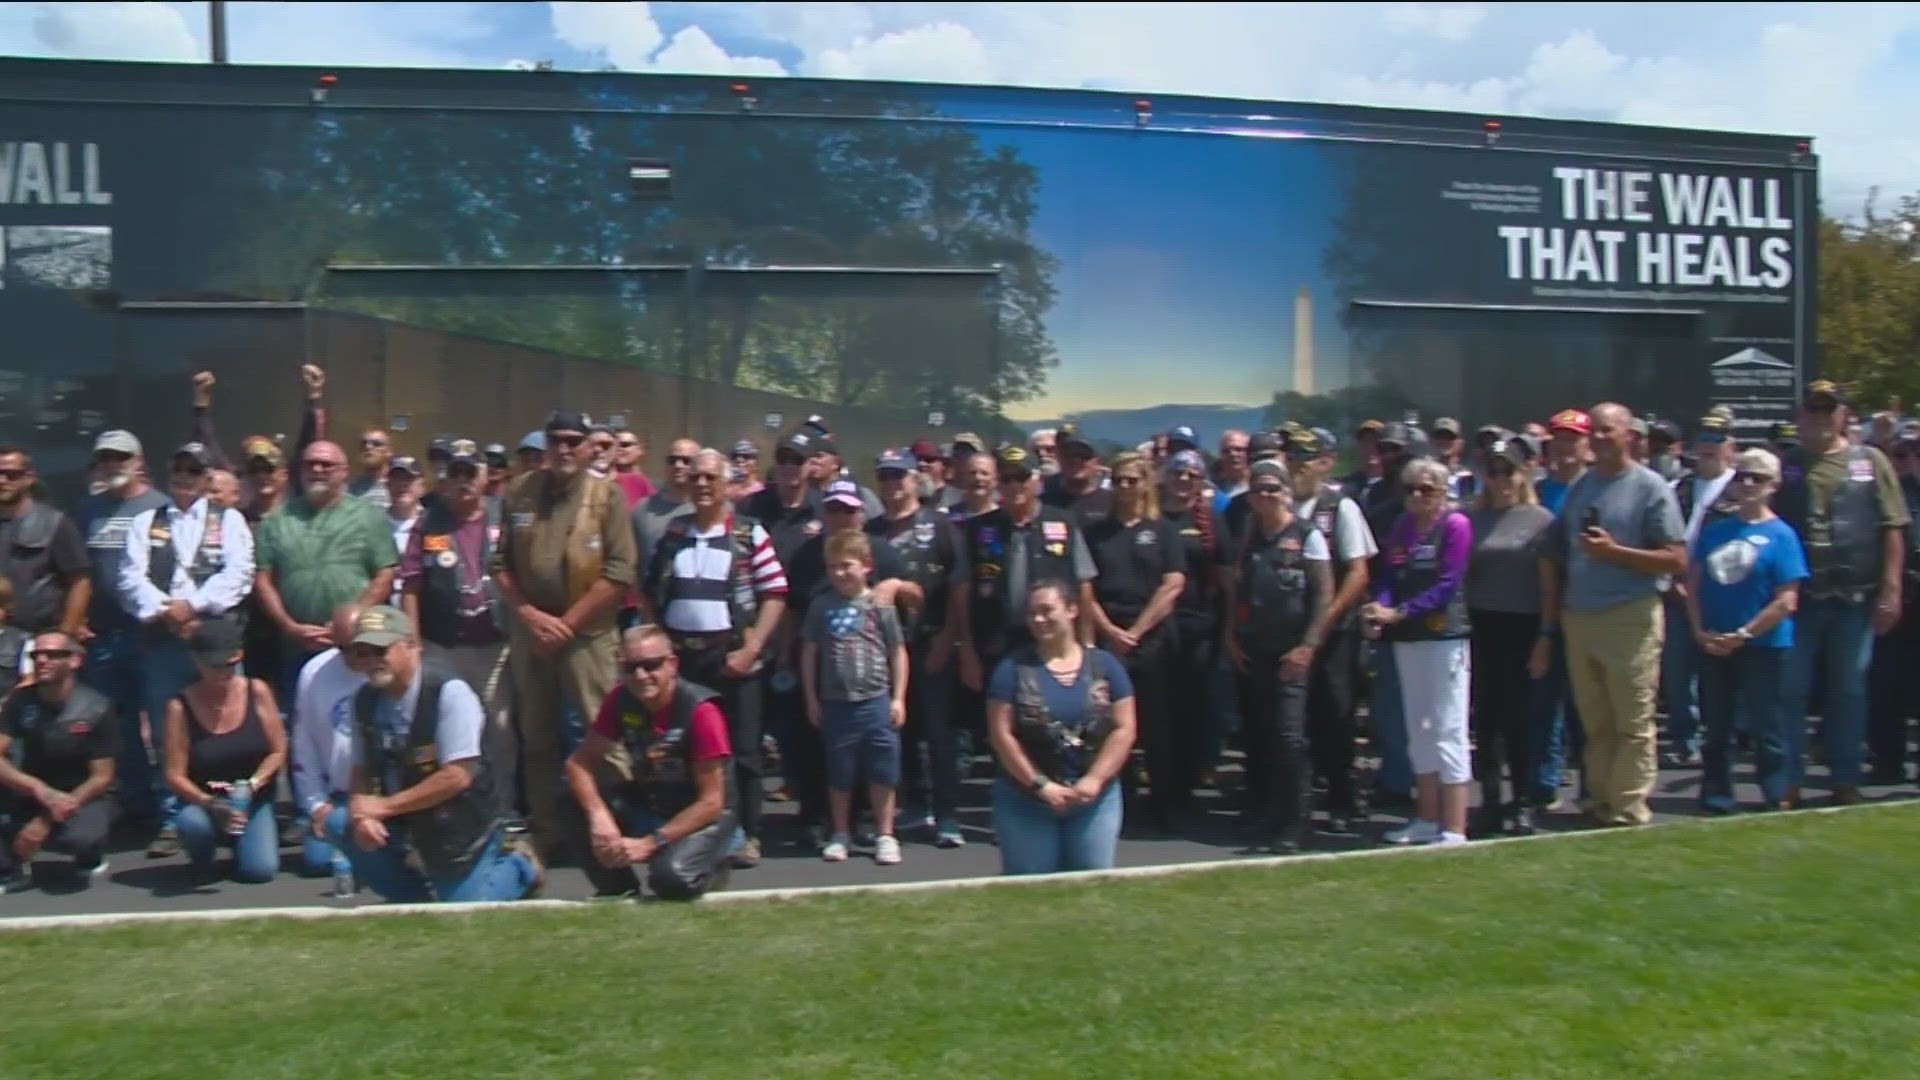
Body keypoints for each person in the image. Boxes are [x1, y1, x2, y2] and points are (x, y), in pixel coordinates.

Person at [492, 410, 637, 861]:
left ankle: (619, 824)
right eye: (557, 440)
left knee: (603, 731)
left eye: (575, 440)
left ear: (591, 446)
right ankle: (547, 830)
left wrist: (567, 624)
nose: (565, 449)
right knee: (537, 734)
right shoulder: (519, 491)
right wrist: (531, 616)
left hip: (587, 635)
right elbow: (500, 565)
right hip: (532, 632)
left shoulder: (606, 496)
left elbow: (620, 571)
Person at [324, 606, 540, 903]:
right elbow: (360, 769)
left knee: (466, 914)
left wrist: (384, 807)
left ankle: (521, 866)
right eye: (361, 652)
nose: (371, 660)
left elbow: (457, 776)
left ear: (411, 646)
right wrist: (361, 813)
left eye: (380, 649)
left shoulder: (449, 692)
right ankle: (413, 900)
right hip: (403, 817)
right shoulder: (362, 701)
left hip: (458, 822)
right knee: (339, 821)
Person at [1539, 402, 1687, 828]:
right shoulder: (1583, 486)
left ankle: (1628, 806)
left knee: (1632, 720)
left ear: (1630, 437)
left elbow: (1676, 559)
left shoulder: (1650, 487)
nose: (1600, 438)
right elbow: (1561, 549)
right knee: (1596, 720)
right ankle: (1600, 799)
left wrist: (1615, 553)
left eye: (1609, 431)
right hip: (1580, 616)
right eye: (1596, 432)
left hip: (1629, 615)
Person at [643, 447, 787, 867]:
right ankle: (695, 831)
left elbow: (775, 595)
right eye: (697, 478)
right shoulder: (673, 533)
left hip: (734, 660)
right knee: (687, 750)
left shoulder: (749, 534)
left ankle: (749, 834)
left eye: (711, 478)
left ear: (727, 484)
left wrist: (751, 649)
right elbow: (650, 594)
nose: (702, 485)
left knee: (743, 750)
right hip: (683, 664)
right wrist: (660, 648)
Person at [1773, 380, 1908, 806]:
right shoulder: (1788, 464)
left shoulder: (1870, 461)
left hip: (1855, 596)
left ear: (1843, 415)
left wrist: (1891, 589)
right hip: (1801, 597)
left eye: (1827, 409)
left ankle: (1845, 779)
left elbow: (1893, 526)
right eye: (1811, 409)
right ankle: (1789, 780)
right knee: (1790, 690)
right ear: (1800, 416)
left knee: (1849, 689)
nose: (1818, 417)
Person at [115, 442, 256, 839]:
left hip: (213, 639)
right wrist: (167, 611)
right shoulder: (145, 522)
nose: (184, 476)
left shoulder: (229, 521)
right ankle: (173, 813)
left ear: (207, 477)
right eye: (178, 468)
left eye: (194, 470)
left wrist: (192, 607)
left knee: (224, 721)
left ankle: (230, 807)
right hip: (162, 639)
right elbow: (129, 578)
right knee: (164, 727)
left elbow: (239, 574)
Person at [564, 624, 736, 900]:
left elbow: (712, 802)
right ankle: (617, 887)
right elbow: (578, 763)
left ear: (672, 665)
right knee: (570, 800)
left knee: (671, 881)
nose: (641, 676)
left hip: (702, 815)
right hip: (651, 799)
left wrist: (651, 843)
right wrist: (600, 817)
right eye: (631, 668)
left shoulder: (702, 712)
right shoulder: (620, 700)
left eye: (651, 665)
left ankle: (714, 862)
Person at [986, 580, 1137, 875]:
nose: (1039, 620)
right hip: (1026, 800)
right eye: (1032, 613)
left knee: (1092, 881)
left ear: (1071, 610)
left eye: (1047, 611)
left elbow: (1125, 728)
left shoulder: (1106, 665)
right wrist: (1040, 784)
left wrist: (1095, 779)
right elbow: (1001, 734)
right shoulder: (1012, 669)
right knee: (1031, 884)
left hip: (1094, 799)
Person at [1685, 448, 1806, 812]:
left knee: (1766, 724)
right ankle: (1716, 793)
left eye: (1758, 478)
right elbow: (1692, 583)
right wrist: (1699, 630)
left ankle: (1774, 791)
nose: (1749, 484)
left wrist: (1745, 633)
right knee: (1716, 726)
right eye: (1742, 476)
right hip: (1714, 642)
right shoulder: (1717, 529)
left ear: (1775, 485)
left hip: (1764, 645)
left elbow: (1787, 600)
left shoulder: (1782, 535)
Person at [1224, 459, 1332, 852]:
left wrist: (1308, 646)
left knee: (1290, 737)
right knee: (1265, 736)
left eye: (1272, 489)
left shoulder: (1307, 535)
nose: (1265, 496)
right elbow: (1236, 589)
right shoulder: (1249, 537)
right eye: (1258, 490)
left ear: (1287, 491)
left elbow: (1323, 595)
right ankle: (1271, 812)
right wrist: (1230, 636)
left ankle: (1298, 820)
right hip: (1255, 649)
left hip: (1293, 653)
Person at [1366, 457, 1474, 847]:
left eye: (1427, 490)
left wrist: (1399, 612)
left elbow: (1447, 584)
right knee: (1419, 730)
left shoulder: (1455, 525)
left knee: (1449, 728)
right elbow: (1389, 576)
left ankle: (1454, 826)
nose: (1417, 496)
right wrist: (1380, 608)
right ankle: (1426, 818)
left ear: (1443, 493)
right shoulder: (1402, 527)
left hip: (1444, 637)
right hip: (1406, 637)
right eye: (1411, 489)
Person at [1082, 452, 1186, 829]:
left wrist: (1137, 632)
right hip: (1109, 637)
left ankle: (1165, 805)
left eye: (1132, 480)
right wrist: (1109, 631)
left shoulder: (1164, 531)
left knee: (1157, 725)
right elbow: (1085, 587)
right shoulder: (1097, 532)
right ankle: (1117, 802)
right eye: (1119, 480)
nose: (1125, 487)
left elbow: (1173, 584)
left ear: (1145, 483)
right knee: (1111, 726)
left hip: (1153, 638)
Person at [868, 448, 967, 846]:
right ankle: (914, 804)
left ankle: (947, 814)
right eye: (886, 476)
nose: (893, 484)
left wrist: (950, 636)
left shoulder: (941, 525)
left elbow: (960, 587)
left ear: (916, 479)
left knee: (940, 732)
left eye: (900, 476)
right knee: (899, 730)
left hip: (931, 642)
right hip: (886, 648)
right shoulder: (871, 531)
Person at [252, 439, 399, 704]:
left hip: (358, 645)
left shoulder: (369, 517)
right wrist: (288, 626)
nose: (317, 469)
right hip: (296, 644)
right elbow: (263, 579)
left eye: (326, 464)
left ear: (345, 472)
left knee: (362, 718)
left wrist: (350, 623)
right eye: (310, 464)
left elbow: (385, 574)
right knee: (304, 723)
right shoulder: (276, 521)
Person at [74, 429, 171, 821]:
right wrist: (76, 620)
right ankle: (136, 800)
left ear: (138, 462)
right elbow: (76, 572)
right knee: (118, 725)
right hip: (103, 637)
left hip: (152, 635)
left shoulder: (163, 507)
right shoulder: (85, 510)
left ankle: (170, 810)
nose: (113, 464)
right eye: (106, 458)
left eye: (121, 457)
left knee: (164, 723)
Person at [1286, 428, 1377, 834]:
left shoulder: (1340, 507)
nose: (1298, 467)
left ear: (1324, 463)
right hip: (1290, 632)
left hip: (1336, 634)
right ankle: (1298, 806)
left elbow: (1357, 572)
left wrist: (1323, 622)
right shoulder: (1279, 505)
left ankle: (1343, 801)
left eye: (1306, 460)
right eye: (1292, 459)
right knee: (1296, 723)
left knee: (1337, 716)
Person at [1465, 437, 1554, 836]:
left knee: (1519, 720)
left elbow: (1552, 587)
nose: (1500, 479)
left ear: (1524, 474)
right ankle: (1489, 799)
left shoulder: (1540, 520)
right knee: (1485, 719)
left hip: (1522, 625)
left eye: (1508, 471)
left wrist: (1546, 636)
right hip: (1479, 625)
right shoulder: (1469, 519)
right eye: (1493, 471)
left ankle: (1521, 801)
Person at [802, 531, 909, 864]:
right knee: (840, 772)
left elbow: (898, 651)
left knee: (882, 770)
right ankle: (840, 832)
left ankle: (885, 833)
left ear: (866, 566)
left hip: (876, 698)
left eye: (846, 566)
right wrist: (811, 698)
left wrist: (899, 697)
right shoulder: (821, 606)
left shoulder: (880, 607)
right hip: (836, 702)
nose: (839, 574)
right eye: (833, 567)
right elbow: (809, 653)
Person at [162, 619, 285, 884]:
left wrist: (254, 784)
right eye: (214, 666)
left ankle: (243, 844)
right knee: (193, 823)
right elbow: (174, 774)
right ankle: (203, 855)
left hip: (251, 799)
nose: (223, 673)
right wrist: (210, 803)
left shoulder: (258, 690)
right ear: (196, 661)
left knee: (260, 871)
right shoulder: (179, 706)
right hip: (205, 800)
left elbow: (278, 750)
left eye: (229, 665)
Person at [0, 632, 116, 893]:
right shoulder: (19, 702)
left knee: (81, 837)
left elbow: (102, 777)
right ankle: (11, 866)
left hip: (79, 794)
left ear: (75, 660)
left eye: (52, 654)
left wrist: (46, 819)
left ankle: (89, 855)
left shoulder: (97, 707)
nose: (41, 660)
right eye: (36, 655)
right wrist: (37, 789)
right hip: (29, 790)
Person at [1661, 412, 1738, 769]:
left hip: (1720, 594)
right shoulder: (1679, 486)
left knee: (1718, 676)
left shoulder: (1741, 486)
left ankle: (1721, 738)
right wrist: (1675, 581)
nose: (1709, 446)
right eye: (1704, 439)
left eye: (1717, 440)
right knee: (1677, 675)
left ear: (1730, 447)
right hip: (1677, 593)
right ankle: (1684, 738)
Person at [291, 604, 369, 881]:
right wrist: (316, 804)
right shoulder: (313, 673)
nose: (354, 656)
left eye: (360, 647)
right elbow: (304, 744)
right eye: (344, 648)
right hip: (337, 795)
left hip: (382, 794)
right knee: (319, 861)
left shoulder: (386, 667)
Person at [0, 445, 91, 640]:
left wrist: (65, 635)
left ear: (29, 478)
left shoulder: (54, 523)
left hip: (37, 641)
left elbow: (80, 583)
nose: (2, 480)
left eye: (12, 474)